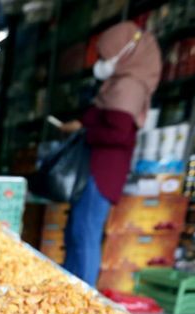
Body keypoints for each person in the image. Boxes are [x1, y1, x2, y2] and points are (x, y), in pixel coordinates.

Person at [58, 21, 161, 285]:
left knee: (85, 233)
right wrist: (82, 123)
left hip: (103, 171)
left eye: (105, 56)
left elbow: (118, 135)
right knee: (77, 231)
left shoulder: (128, 87)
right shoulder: (117, 83)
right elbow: (99, 116)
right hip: (96, 168)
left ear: (124, 53)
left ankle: (83, 296)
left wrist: (85, 133)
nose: (102, 62)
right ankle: (67, 290)